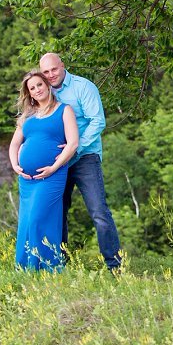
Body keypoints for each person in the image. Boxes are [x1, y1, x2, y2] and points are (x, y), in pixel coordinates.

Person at [38, 53, 122, 271]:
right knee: (58, 213)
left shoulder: (83, 87)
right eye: (45, 72)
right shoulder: (43, 92)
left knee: (98, 212)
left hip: (85, 157)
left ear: (63, 66)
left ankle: (115, 266)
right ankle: (61, 264)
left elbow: (98, 121)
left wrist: (74, 147)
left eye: (54, 70)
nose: (50, 75)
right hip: (56, 163)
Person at [8, 70, 78, 271]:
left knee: (39, 218)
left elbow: (72, 143)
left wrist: (53, 168)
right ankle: (25, 268)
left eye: (39, 84)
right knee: (27, 222)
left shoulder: (64, 110)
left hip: (52, 176)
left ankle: (49, 267)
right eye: (32, 88)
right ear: (29, 93)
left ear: (48, 85)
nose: (37, 89)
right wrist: (15, 165)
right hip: (27, 180)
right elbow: (14, 144)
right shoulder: (27, 117)